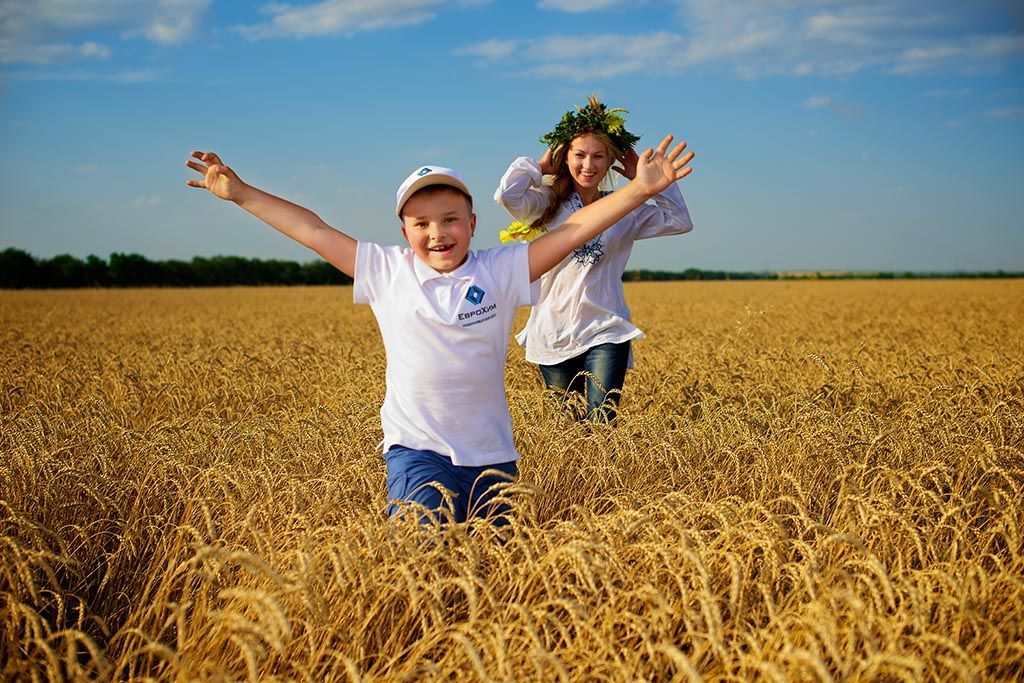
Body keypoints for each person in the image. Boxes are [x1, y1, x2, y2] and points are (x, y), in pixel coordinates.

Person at [185, 135, 693, 523]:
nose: (437, 233)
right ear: (403, 232)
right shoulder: (386, 271)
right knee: (421, 557)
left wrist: (640, 190)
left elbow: (577, 229)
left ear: (472, 224)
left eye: (450, 219)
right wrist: (242, 194)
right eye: (422, 222)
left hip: (494, 460)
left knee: (493, 580)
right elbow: (313, 231)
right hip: (416, 451)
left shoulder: (499, 270)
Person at [495, 96, 695, 423]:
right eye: (580, 155)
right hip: (554, 332)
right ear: (566, 157)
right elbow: (508, 195)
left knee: (603, 423)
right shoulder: (546, 204)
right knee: (570, 432)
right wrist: (540, 168)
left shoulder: (623, 207)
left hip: (606, 328)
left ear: (610, 161)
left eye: (598, 156)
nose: (589, 165)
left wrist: (647, 186)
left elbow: (679, 221)